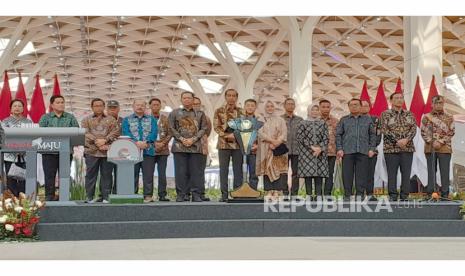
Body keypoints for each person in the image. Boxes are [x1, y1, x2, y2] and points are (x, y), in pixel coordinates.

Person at [168, 91, 208, 202]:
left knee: (195, 172)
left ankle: (196, 194)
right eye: (184, 98)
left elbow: (204, 128)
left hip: (196, 147)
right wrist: (182, 139)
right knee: (181, 172)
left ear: (193, 99)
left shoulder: (200, 114)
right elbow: (171, 128)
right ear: (181, 100)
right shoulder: (174, 113)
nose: (186, 100)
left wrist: (193, 139)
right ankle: (181, 194)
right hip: (179, 147)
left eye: (189, 98)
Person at [39, 95, 80, 201]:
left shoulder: (70, 117)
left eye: (62, 102)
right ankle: (49, 197)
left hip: (66, 152)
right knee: (49, 176)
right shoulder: (45, 118)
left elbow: (77, 132)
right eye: (58, 102)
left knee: (65, 175)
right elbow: (39, 133)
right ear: (52, 105)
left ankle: (64, 197)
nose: (61, 104)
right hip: (49, 152)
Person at [336, 99, 376, 201]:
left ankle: (360, 194)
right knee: (347, 174)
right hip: (347, 151)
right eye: (351, 105)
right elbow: (338, 135)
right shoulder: (344, 120)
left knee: (361, 174)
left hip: (363, 151)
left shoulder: (367, 120)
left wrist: (372, 148)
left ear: (360, 106)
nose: (354, 107)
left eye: (356, 105)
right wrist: (339, 148)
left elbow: (372, 135)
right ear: (348, 107)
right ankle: (347, 195)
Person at [380, 93, 417, 201]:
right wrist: (397, 141)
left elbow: (413, 129)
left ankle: (405, 195)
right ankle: (392, 195)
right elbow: (384, 129)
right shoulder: (385, 114)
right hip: (390, 149)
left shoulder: (409, 114)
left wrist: (406, 140)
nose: (399, 100)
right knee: (392, 173)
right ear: (391, 101)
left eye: (401, 98)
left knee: (406, 173)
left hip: (407, 148)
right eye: (396, 98)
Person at [81, 98, 120, 203]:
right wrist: (97, 141)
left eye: (100, 105)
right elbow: (85, 133)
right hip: (91, 152)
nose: (98, 107)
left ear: (104, 107)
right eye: (96, 106)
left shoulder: (111, 119)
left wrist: (105, 140)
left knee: (107, 175)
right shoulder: (86, 120)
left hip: (107, 152)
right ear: (92, 107)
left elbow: (115, 132)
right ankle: (89, 196)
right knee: (90, 175)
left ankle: (106, 197)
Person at [122, 99, 158, 203]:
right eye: (137, 105)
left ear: (145, 107)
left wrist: (146, 142)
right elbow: (126, 132)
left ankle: (148, 196)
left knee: (148, 175)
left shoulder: (152, 120)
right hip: (132, 151)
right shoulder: (126, 120)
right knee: (133, 174)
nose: (140, 107)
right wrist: (136, 142)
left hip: (148, 150)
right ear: (133, 107)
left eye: (142, 105)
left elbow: (154, 132)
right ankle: (133, 195)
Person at [421, 95, 455, 200]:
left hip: (445, 148)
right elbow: (423, 131)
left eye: (441, 103)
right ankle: (430, 193)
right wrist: (432, 142)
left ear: (443, 104)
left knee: (444, 171)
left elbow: (451, 132)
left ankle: (445, 194)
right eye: (436, 103)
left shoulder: (449, 116)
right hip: (430, 148)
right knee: (431, 171)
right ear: (432, 104)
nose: (439, 105)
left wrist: (440, 142)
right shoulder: (426, 117)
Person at [213, 88, 244, 202]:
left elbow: (246, 126)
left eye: (233, 95)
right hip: (223, 144)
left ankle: (237, 193)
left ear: (236, 98)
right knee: (223, 170)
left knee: (238, 170)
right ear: (225, 97)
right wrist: (226, 135)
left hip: (237, 145)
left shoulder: (242, 112)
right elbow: (216, 126)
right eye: (229, 95)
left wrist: (235, 136)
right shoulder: (219, 111)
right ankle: (224, 194)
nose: (231, 97)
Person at [257, 101, 288, 202]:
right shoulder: (260, 120)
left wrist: (277, 142)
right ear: (264, 108)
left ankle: (278, 191)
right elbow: (260, 133)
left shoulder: (280, 120)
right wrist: (271, 141)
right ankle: (269, 190)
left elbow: (284, 132)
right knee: (267, 169)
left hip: (277, 148)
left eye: (272, 106)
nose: (270, 108)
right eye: (267, 106)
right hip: (265, 148)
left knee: (278, 169)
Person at [296, 105, 329, 201]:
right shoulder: (303, 123)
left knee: (319, 174)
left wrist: (320, 149)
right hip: (306, 153)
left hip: (320, 153)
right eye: (312, 110)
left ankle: (319, 195)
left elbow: (326, 138)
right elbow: (300, 137)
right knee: (308, 175)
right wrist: (312, 147)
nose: (314, 112)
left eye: (316, 110)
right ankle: (309, 195)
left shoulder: (322, 123)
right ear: (308, 111)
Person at [1, 99, 33, 197]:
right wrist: (15, 149)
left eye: (19, 106)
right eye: (15, 106)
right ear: (11, 108)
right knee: (11, 180)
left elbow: (32, 137)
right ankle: (11, 204)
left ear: (23, 108)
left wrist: (23, 149)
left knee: (25, 180)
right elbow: (3, 138)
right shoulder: (5, 122)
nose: (17, 108)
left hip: (25, 155)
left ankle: (24, 202)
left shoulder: (28, 122)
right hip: (10, 156)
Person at [150, 98, 171, 202]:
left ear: (160, 106)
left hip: (163, 149)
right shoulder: (146, 119)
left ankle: (162, 194)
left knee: (162, 173)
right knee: (149, 173)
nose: (155, 106)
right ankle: (148, 195)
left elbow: (170, 132)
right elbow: (144, 134)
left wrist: (163, 143)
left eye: (157, 105)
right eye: (153, 105)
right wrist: (154, 143)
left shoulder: (165, 119)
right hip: (150, 150)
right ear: (150, 106)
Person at [281, 98, 303, 198]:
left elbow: (303, 135)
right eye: (288, 104)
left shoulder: (300, 120)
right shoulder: (280, 119)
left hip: (297, 150)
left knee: (296, 174)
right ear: (284, 106)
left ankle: (294, 194)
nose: (290, 106)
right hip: (283, 150)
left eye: (292, 104)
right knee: (283, 173)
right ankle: (285, 193)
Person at [361, 100, 382, 201]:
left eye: (366, 106)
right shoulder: (355, 119)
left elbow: (378, 136)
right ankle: (359, 193)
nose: (364, 108)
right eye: (362, 106)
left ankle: (370, 194)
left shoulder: (375, 119)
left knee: (370, 173)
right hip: (358, 151)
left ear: (369, 107)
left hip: (372, 151)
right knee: (359, 174)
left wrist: (371, 148)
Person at [193, 96, 211, 201]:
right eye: (194, 104)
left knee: (200, 172)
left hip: (202, 148)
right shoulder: (186, 117)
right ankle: (189, 194)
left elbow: (208, 131)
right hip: (189, 148)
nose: (196, 106)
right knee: (190, 172)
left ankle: (201, 193)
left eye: (197, 104)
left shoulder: (206, 118)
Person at [319, 99, 339, 196]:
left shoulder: (335, 121)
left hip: (331, 152)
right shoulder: (315, 120)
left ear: (330, 108)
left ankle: (327, 194)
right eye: (323, 107)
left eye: (328, 107)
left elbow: (339, 137)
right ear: (319, 108)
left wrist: (339, 150)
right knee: (317, 174)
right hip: (317, 153)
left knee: (329, 174)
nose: (326, 109)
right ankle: (318, 195)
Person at [243, 99, 261, 190]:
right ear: (245, 107)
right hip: (241, 151)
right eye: (248, 105)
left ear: (255, 107)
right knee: (241, 173)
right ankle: (241, 192)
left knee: (254, 173)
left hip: (254, 151)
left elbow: (262, 135)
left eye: (252, 105)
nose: (250, 107)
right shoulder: (240, 120)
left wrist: (258, 146)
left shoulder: (259, 120)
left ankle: (253, 192)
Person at [106, 100, 122, 194]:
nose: (112, 110)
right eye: (110, 108)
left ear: (118, 109)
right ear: (107, 109)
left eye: (114, 108)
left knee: (119, 174)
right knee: (106, 174)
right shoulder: (103, 120)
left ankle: (117, 193)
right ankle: (104, 194)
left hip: (120, 152)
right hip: (106, 151)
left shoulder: (123, 121)